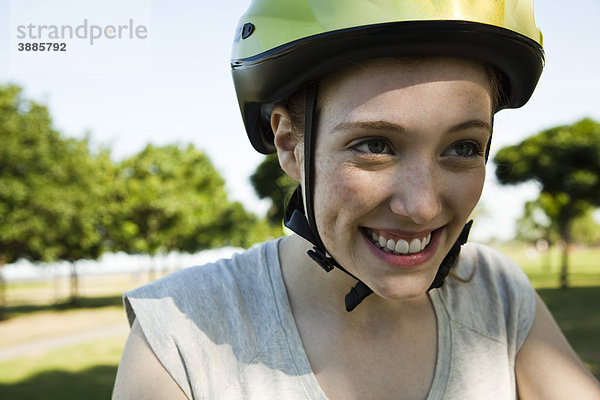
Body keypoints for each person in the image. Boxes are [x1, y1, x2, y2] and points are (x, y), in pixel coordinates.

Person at [112, 1, 600, 399]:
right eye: (375, 146)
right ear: (288, 143)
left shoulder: (496, 294)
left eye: (462, 148)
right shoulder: (181, 332)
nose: (423, 207)